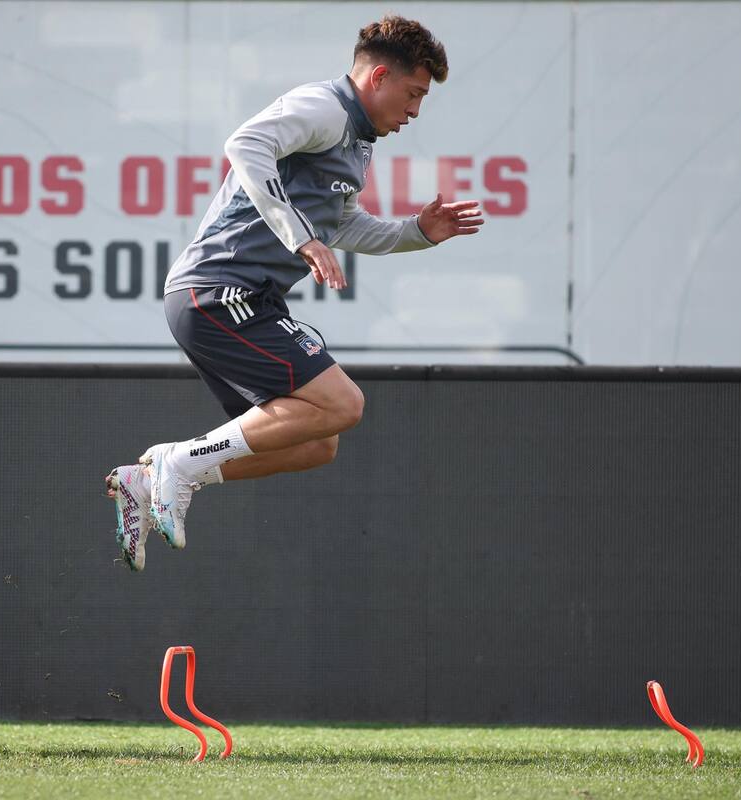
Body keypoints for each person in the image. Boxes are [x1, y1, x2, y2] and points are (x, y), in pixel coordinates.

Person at [106, 14, 484, 571]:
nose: (415, 112)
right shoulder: (325, 108)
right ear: (378, 76)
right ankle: (179, 466)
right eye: (413, 94)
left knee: (315, 442)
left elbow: (344, 225)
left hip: (244, 299)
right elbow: (245, 143)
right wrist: (301, 238)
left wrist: (416, 232)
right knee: (344, 404)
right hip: (214, 290)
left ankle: (155, 474)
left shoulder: (357, 142)